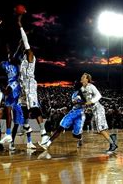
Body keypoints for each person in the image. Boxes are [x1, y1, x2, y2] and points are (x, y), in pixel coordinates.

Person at [16, 15, 49, 148]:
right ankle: (26, 126)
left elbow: (25, 42)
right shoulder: (22, 58)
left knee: (34, 108)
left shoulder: (30, 55)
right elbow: (16, 51)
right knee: (23, 106)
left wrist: (20, 25)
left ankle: (44, 133)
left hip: (30, 84)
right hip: (23, 85)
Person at [40, 81, 86, 150]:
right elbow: (72, 104)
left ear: (78, 86)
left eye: (75, 84)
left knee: (75, 134)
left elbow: (86, 102)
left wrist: (83, 99)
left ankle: (80, 138)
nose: (73, 86)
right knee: (60, 127)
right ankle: (47, 144)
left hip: (79, 114)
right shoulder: (74, 94)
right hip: (72, 113)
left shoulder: (83, 93)